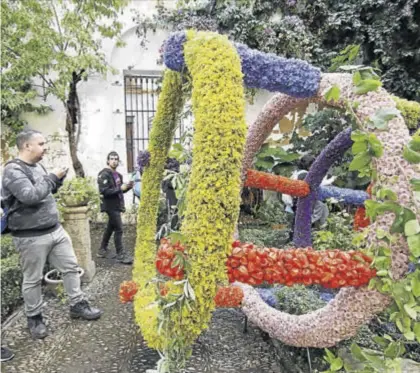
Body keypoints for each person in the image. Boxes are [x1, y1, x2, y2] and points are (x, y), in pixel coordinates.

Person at [1, 130, 102, 340]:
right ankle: (34, 317)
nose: (45, 147)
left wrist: (58, 180)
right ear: (27, 146)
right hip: (30, 236)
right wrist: (51, 178)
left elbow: (46, 191)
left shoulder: (38, 166)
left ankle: (77, 304)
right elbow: (29, 196)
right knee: (33, 279)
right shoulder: (12, 170)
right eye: (41, 143)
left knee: (71, 267)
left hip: (55, 230)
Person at [97, 151, 133, 264]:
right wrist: (120, 189)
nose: (114, 161)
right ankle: (120, 254)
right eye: (112, 158)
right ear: (108, 160)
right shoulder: (104, 174)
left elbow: (119, 191)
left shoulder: (118, 175)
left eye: (116, 159)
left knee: (110, 227)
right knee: (119, 229)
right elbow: (104, 191)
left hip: (117, 205)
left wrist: (127, 187)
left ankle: (102, 249)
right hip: (110, 206)